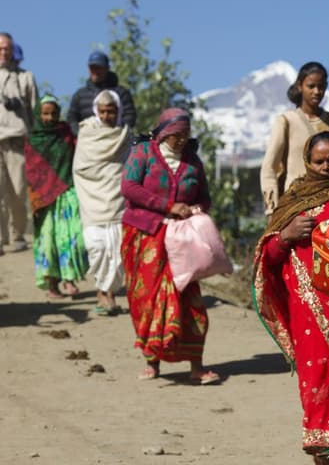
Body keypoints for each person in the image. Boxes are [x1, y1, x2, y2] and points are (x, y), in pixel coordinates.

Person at [253, 131, 329, 464]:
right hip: (308, 315)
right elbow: (268, 258)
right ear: (307, 161)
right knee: (319, 381)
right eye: (319, 161)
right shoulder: (294, 200)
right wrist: (286, 236)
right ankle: (325, 452)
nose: (326, 167)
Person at [121, 108, 219, 384]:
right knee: (148, 298)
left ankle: (196, 366)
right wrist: (167, 206)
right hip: (145, 234)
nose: (182, 140)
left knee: (189, 298)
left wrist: (197, 209)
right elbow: (129, 187)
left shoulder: (192, 160)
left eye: (186, 134)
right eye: (177, 134)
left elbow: (204, 196)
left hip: (181, 239)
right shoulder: (143, 153)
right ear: (164, 133)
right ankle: (151, 362)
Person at [260, 62, 329, 217]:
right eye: (311, 86)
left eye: (321, 87)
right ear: (300, 86)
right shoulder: (287, 121)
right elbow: (269, 168)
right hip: (296, 203)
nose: (316, 92)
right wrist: (271, 210)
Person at [23, 95, 88, 298]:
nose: (50, 118)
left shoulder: (66, 133)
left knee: (72, 237)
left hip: (67, 191)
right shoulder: (33, 139)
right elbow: (31, 171)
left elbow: (79, 155)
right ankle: (52, 285)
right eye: (45, 113)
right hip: (44, 199)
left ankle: (69, 278)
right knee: (48, 241)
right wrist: (36, 199)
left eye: (53, 113)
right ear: (38, 114)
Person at [73, 90, 131, 315]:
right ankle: (101, 292)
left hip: (117, 200)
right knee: (97, 248)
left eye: (111, 111)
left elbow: (129, 166)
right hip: (91, 200)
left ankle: (110, 294)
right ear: (96, 111)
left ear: (118, 111)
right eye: (103, 111)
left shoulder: (124, 134)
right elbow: (80, 168)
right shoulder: (86, 132)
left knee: (117, 251)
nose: (106, 116)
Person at [0, 32, 38, 255]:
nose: (3, 52)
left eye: (7, 48)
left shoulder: (25, 77)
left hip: (17, 139)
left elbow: (35, 111)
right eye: (0, 48)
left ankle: (18, 235)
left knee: (17, 191)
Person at [67, 51, 136, 133]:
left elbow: (130, 115)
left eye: (98, 68)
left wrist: (117, 132)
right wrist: (81, 134)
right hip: (87, 138)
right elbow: (72, 118)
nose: (95, 71)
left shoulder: (121, 93)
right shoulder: (80, 95)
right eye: (92, 68)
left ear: (107, 68)